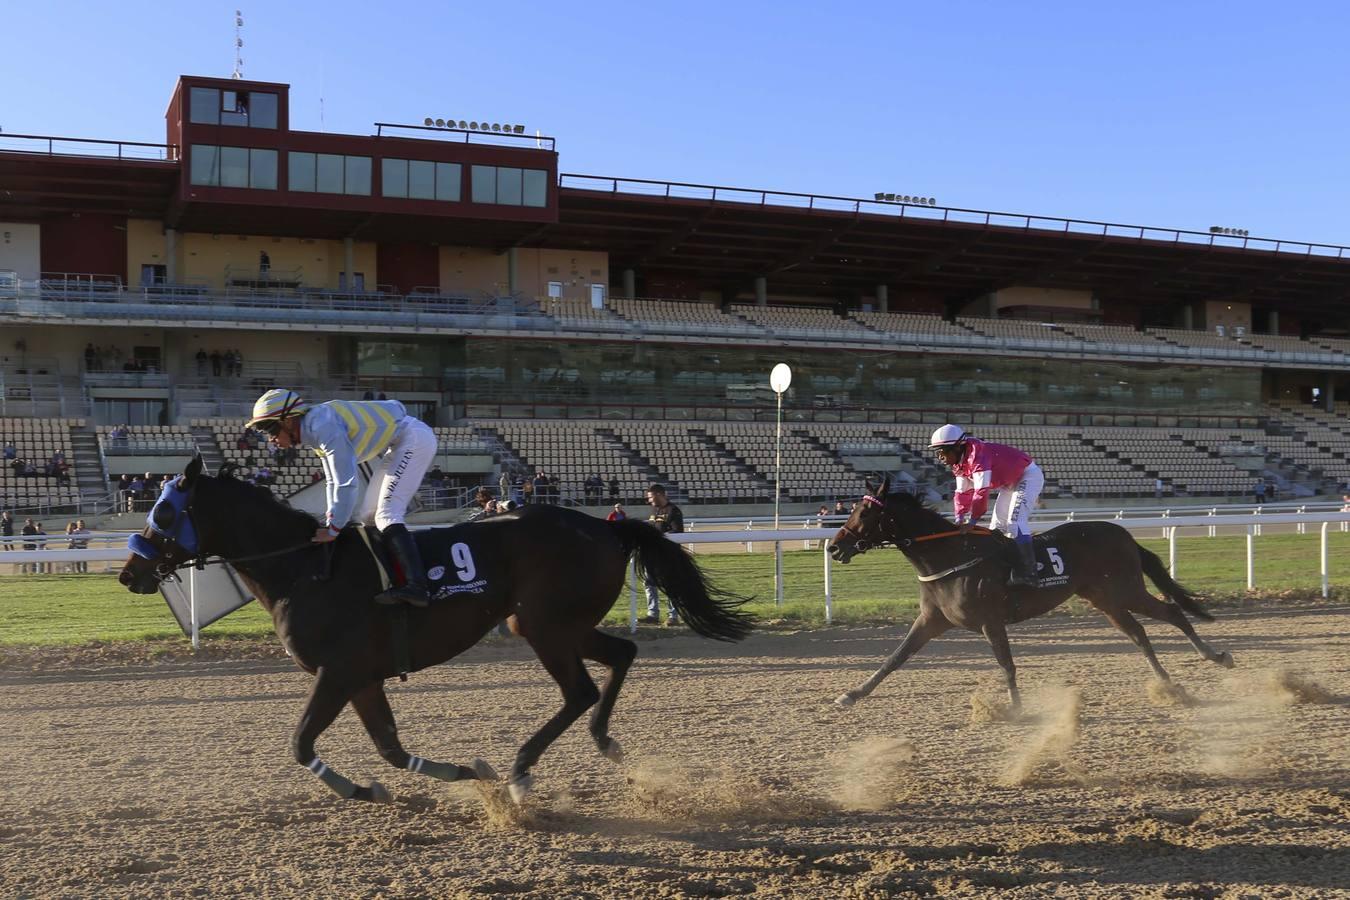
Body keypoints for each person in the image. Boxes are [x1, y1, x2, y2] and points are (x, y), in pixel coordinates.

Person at [246, 388, 437, 606]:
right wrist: (332, 523)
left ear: (288, 421)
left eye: (270, 430)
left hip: (414, 438)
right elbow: (333, 480)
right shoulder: (314, 427)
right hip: (399, 442)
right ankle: (393, 579)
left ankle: (418, 587)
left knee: (387, 514)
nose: (271, 440)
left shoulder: (322, 426)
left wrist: (334, 528)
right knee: (368, 515)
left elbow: (347, 482)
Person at [929, 424, 1043, 589]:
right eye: (937, 452)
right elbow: (962, 492)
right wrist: (959, 519)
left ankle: (1030, 574)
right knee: (997, 527)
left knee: (1014, 523)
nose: (939, 456)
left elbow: (981, 492)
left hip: (1028, 476)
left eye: (942, 451)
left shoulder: (978, 457)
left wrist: (973, 521)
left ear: (957, 448)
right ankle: (1006, 568)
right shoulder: (959, 464)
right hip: (1010, 482)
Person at [642, 483, 684, 625]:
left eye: (650, 497)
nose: (649, 500)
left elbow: (677, 532)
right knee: (649, 583)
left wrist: (657, 538)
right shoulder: (655, 511)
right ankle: (652, 615)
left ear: (659, 494)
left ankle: (673, 617)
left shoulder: (673, 510)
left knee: (671, 585)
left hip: (668, 555)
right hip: (653, 554)